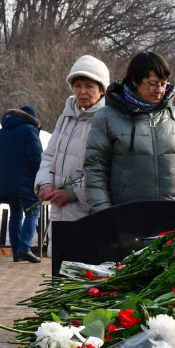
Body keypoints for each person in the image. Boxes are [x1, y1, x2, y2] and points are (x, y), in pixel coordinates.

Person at [84, 51, 175, 213]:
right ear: (135, 81)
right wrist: (104, 217)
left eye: (163, 84)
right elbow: (95, 171)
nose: (159, 90)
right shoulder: (107, 117)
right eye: (152, 83)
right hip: (127, 218)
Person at [34, 55, 110, 229]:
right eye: (77, 86)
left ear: (102, 90)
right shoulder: (66, 117)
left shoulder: (108, 120)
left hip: (89, 214)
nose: (82, 91)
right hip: (59, 214)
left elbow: (108, 170)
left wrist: (73, 193)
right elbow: (49, 156)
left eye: (89, 86)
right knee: (59, 255)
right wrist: (45, 184)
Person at [0, 106, 42, 263]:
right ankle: (24, 248)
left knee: (16, 215)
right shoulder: (29, 130)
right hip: (27, 182)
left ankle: (16, 251)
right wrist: (40, 176)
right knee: (33, 212)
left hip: (6, 182)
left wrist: (3, 173)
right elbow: (36, 156)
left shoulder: (0, 133)